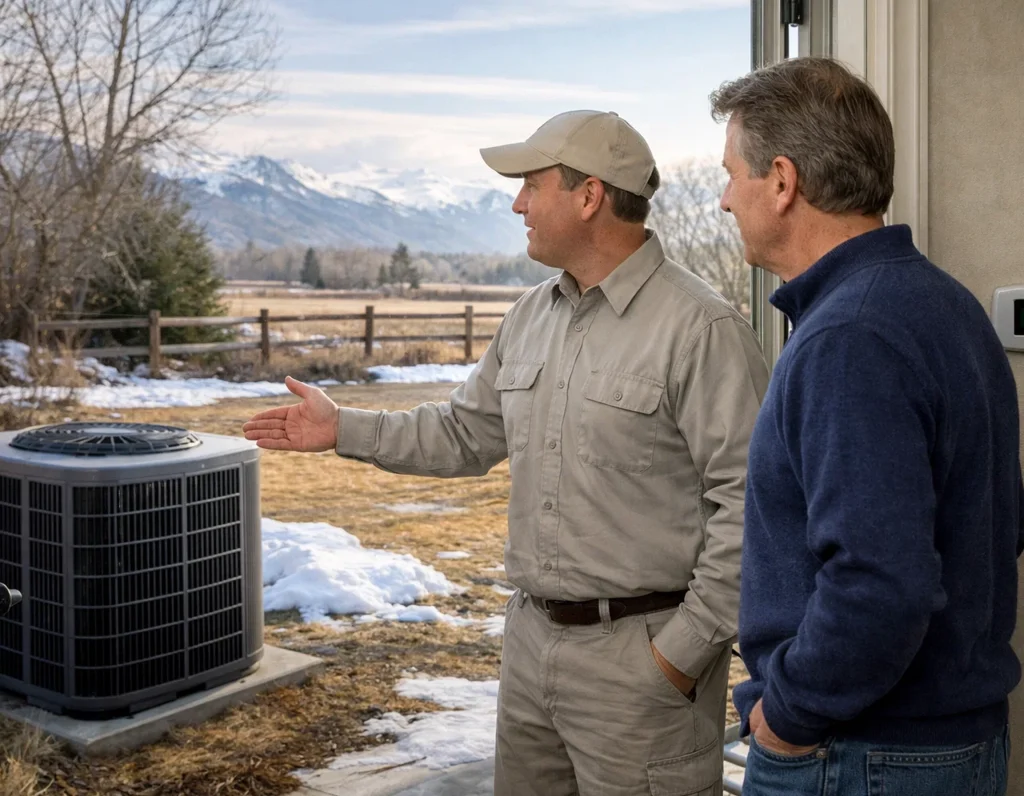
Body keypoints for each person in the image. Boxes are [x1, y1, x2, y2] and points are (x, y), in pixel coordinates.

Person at [243, 109, 769, 796]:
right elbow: (463, 433)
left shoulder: (702, 329)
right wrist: (343, 428)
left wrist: (680, 654)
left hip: (644, 664)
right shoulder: (528, 316)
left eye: (532, 185)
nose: (518, 203)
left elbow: (753, 507)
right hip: (529, 648)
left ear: (589, 196)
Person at [709, 56, 1024, 795]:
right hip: (940, 747)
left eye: (731, 175)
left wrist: (787, 716)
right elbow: (994, 524)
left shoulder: (851, 337)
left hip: (861, 756)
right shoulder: (941, 303)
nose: (724, 200)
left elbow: (881, 585)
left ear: (781, 182)